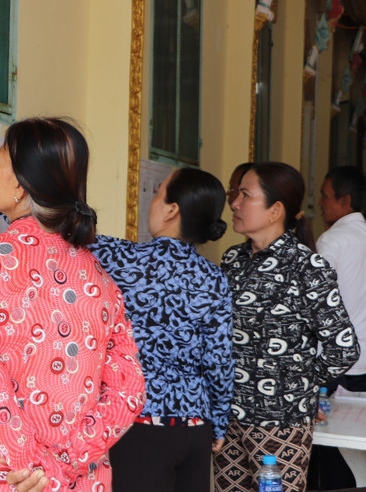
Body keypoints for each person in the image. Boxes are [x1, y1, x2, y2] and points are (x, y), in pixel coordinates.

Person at [0, 117, 146, 492]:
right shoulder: (101, 280)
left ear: (20, 185)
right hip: (82, 482)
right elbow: (129, 390)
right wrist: (64, 467)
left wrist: (36, 471)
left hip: (6, 478)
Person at [214, 161, 359, 492]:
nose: (234, 203)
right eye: (236, 194)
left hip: (281, 424)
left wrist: (296, 384)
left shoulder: (307, 267)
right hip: (229, 418)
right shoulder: (233, 260)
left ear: (275, 210)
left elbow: (343, 348)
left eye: (245, 195)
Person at [92, 168, 234, 492]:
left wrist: (4, 205)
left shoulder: (122, 259)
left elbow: (52, 236)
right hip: (195, 428)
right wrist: (219, 424)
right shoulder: (214, 278)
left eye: (158, 193)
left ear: (171, 210)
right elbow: (219, 361)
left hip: (140, 425)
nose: (152, 201)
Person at [317, 166, 366, 392]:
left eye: (325, 196)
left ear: (345, 200)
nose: (320, 203)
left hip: (333, 357)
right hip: (365, 354)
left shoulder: (330, 240)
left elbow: (318, 299)